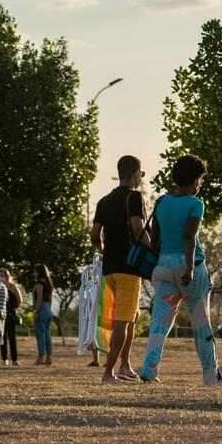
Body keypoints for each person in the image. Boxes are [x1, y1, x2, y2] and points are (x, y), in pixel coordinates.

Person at [138, 154, 222, 385]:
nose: (200, 184)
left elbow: (155, 238)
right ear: (194, 180)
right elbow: (190, 237)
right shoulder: (195, 204)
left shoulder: (161, 202)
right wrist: (190, 268)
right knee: (202, 325)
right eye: (200, 180)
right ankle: (211, 376)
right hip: (190, 269)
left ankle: (149, 371)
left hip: (163, 267)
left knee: (159, 324)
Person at [92, 154, 149, 383]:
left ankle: (125, 365)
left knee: (130, 318)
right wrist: (150, 247)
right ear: (134, 174)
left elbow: (95, 234)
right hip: (129, 267)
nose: (139, 179)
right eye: (139, 175)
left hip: (109, 268)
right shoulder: (134, 197)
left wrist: (103, 250)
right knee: (122, 322)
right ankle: (109, 372)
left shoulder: (104, 201)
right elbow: (137, 227)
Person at [0, 268, 24, 366]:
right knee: (2, 337)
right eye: (0, 275)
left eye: (3, 275)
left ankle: (14, 359)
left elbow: (19, 300)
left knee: (12, 337)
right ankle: (4, 359)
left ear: (7, 276)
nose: (1, 277)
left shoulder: (13, 286)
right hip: (0, 314)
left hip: (11, 313)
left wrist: (13, 307)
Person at [32, 264, 56, 366]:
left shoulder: (39, 283)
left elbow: (39, 299)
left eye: (35, 271)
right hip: (48, 309)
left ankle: (40, 357)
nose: (34, 273)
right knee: (47, 334)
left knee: (40, 334)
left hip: (41, 309)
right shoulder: (49, 283)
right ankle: (48, 357)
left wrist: (36, 311)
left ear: (39, 272)